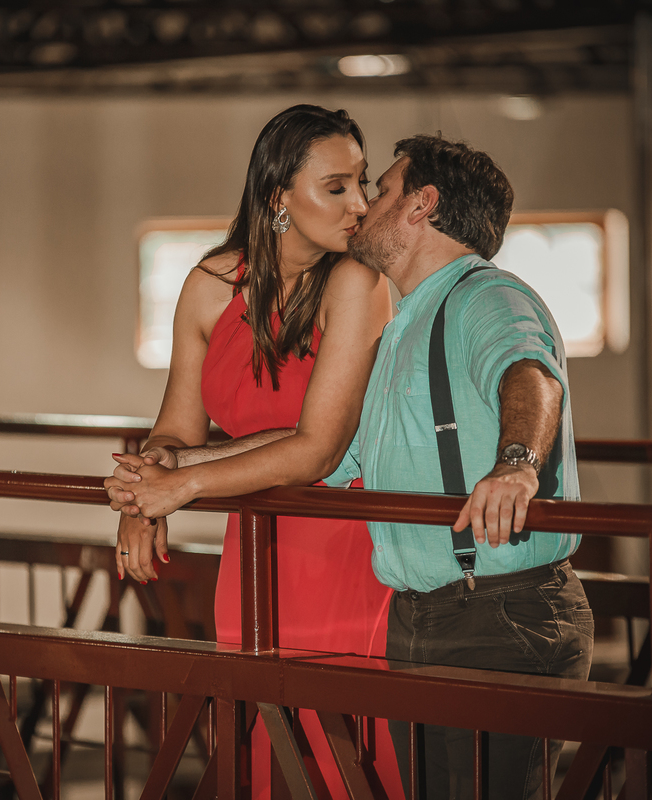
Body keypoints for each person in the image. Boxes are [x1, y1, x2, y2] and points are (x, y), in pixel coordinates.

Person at [104, 105, 402, 798]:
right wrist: (143, 490)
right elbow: (178, 428)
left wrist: (177, 489)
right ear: (278, 198)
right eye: (338, 187)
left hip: (345, 545)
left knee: (343, 754)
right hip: (253, 548)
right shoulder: (210, 285)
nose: (360, 204)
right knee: (264, 745)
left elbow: (320, 450)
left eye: (363, 182)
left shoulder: (358, 283)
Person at [329, 133, 594, 799]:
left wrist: (516, 467)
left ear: (423, 205)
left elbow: (531, 378)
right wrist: (193, 464)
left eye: (382, 189)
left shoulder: (488, 298)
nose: (365, 204)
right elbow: (328, 456)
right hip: (424, 616)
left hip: (500, 614)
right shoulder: (403, 325)